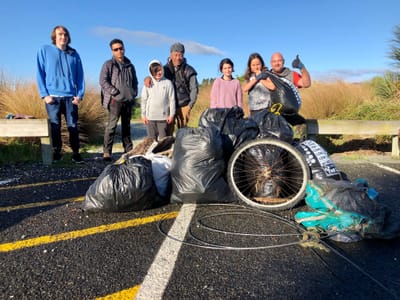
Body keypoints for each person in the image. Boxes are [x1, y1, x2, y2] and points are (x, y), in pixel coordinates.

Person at [36, 25, 85, 163]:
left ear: (68, 37)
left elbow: (80, 76)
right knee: (55, 126)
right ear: (54, 37)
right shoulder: (44, 50)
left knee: (73, 126)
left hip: (71, 97)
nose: (63, 37)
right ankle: (57, 153)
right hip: (53, 98)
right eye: (60, 34)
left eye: (65, 34)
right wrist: (44, 95)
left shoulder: (74, 54)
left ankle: (76, 153)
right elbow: (40, 73)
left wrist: (79, 95)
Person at [144, 42, 198, 135]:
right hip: (168, 106)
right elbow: (154, 75)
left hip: (184, 105)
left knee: (183, 133)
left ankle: (182, 149)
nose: (178, 58)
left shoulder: (189, 70)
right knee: (167, 132)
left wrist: (190, 105)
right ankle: (168, 149)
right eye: (175, 55)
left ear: (183, 55)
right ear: (171, 55)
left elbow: (194, 89)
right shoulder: (164, 69)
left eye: (180, 55)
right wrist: (147, 78)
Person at [99, 39, 138, 162]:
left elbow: (135, 81)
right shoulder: (108, 64)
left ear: (124, 48)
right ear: (112, 51)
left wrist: (134, 93)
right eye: (116, 49)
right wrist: (114, 91)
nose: (119, 51)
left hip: (128, 101)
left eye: (121, 48)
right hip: (115, 101)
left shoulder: (130, 65)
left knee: (126, 127)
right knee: (111, 127)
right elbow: (103, 81)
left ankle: (129, 150)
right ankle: (107, 152)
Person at [141, 60, 175, 141]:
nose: (158, 73)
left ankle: (162, 154)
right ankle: (151, 154)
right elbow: (144, 100)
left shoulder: (168, 83)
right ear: (151, 72)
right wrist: (143, 115)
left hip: (163, 118)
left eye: (160, 70)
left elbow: (172, 100)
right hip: (150, 118)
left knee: (163, 140)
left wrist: (171, 115)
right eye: (155, 71)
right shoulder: (148, 83)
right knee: (151, 141)